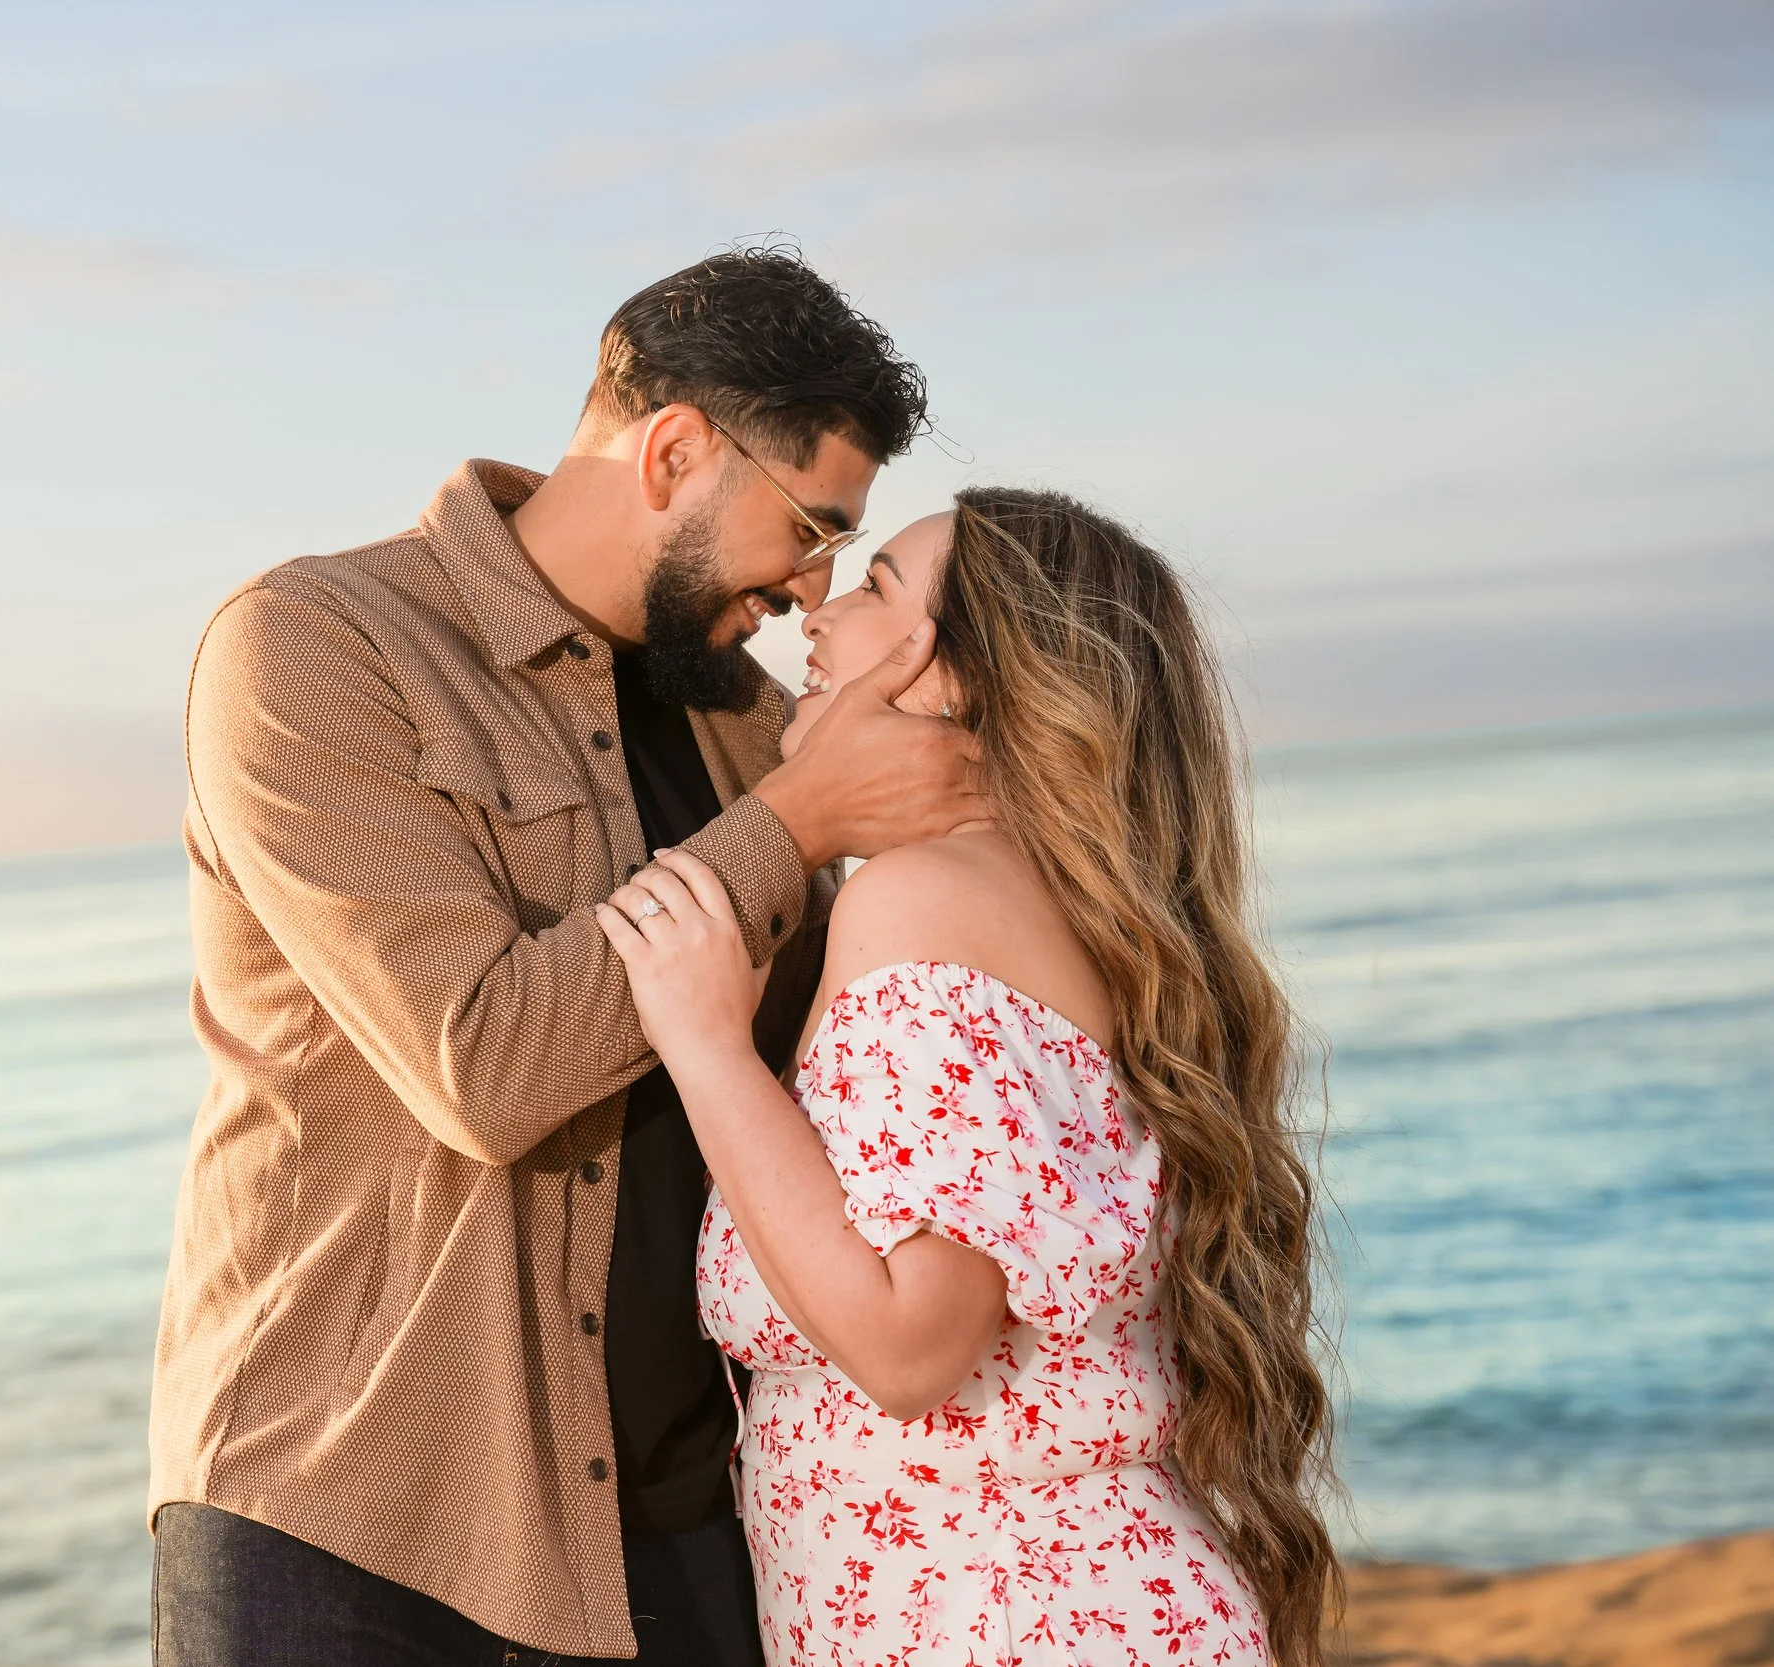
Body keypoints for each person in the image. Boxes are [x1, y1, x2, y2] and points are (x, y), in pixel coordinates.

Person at [150, 248, 990, 1666]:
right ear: (673, 453)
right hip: (357, 1521)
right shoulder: (312, 648)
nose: (812, 583)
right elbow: (481, 1062)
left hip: (684, 1514)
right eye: (808, 526)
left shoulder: (743, 719)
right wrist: (793, 827)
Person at [595, 490, 1341, 1666]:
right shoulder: (1048, 905)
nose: (819, 613)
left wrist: (703, 1044)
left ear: (957, 679)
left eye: (879, 583)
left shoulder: (922, 902)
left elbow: (910, 1343)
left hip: (1000, 1621)